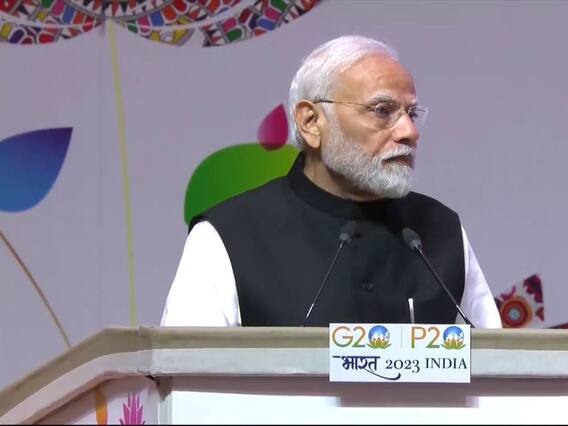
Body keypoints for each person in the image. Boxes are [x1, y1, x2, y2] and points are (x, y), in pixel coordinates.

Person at [161, 35, 502, 329]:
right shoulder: (228, 234)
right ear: (311, 122)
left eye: (411, 113)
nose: (409, 132)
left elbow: (498, 367)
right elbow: (185, 374)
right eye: (382, 110)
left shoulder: (442, 230)